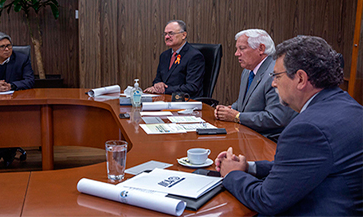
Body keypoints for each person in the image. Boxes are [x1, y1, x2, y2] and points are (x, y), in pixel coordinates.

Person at [215, 36, 363, 216]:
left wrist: (232, 174)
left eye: (276, 75)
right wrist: (249, 167)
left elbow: (266, 200)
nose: (273, 83)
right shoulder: (350, 105)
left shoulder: (308, 128)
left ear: (300, 78)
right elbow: (301, 166)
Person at [215, 29, 296, 141]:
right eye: (237, 49)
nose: (236, 53)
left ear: (261, 49)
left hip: (267, 140)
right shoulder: (248, 71)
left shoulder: (275, 73)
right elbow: (244, 103)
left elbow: (276, 118)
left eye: (242, 48)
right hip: (247, 135)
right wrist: (228, 110)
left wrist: (237, 116)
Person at [144, 20, 205, 98]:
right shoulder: (164, 55)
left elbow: (192, 87)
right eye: (165, 34)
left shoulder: (194, 56)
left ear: (183, 35)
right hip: (165, 100)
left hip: (184, 102)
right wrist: (158, 84)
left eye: (171, 33)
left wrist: (165, 90)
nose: (167, 37)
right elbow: (158, 79)